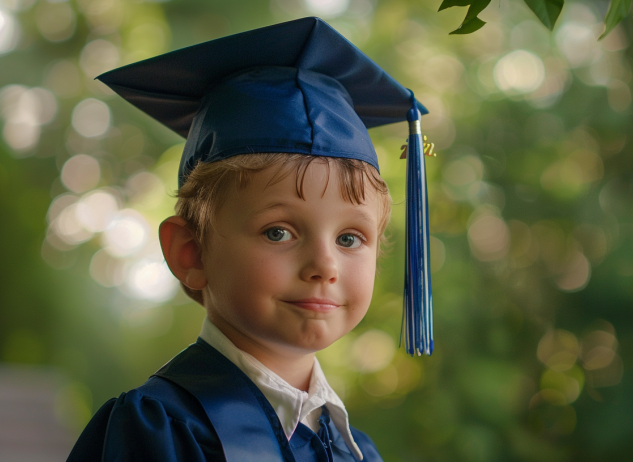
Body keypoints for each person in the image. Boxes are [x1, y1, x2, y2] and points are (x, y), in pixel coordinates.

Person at [66, 16, 431, 462]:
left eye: (351, 238)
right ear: (191, 253)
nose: (324, 265)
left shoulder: (357, 452)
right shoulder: (157, 429)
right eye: (278, 232)